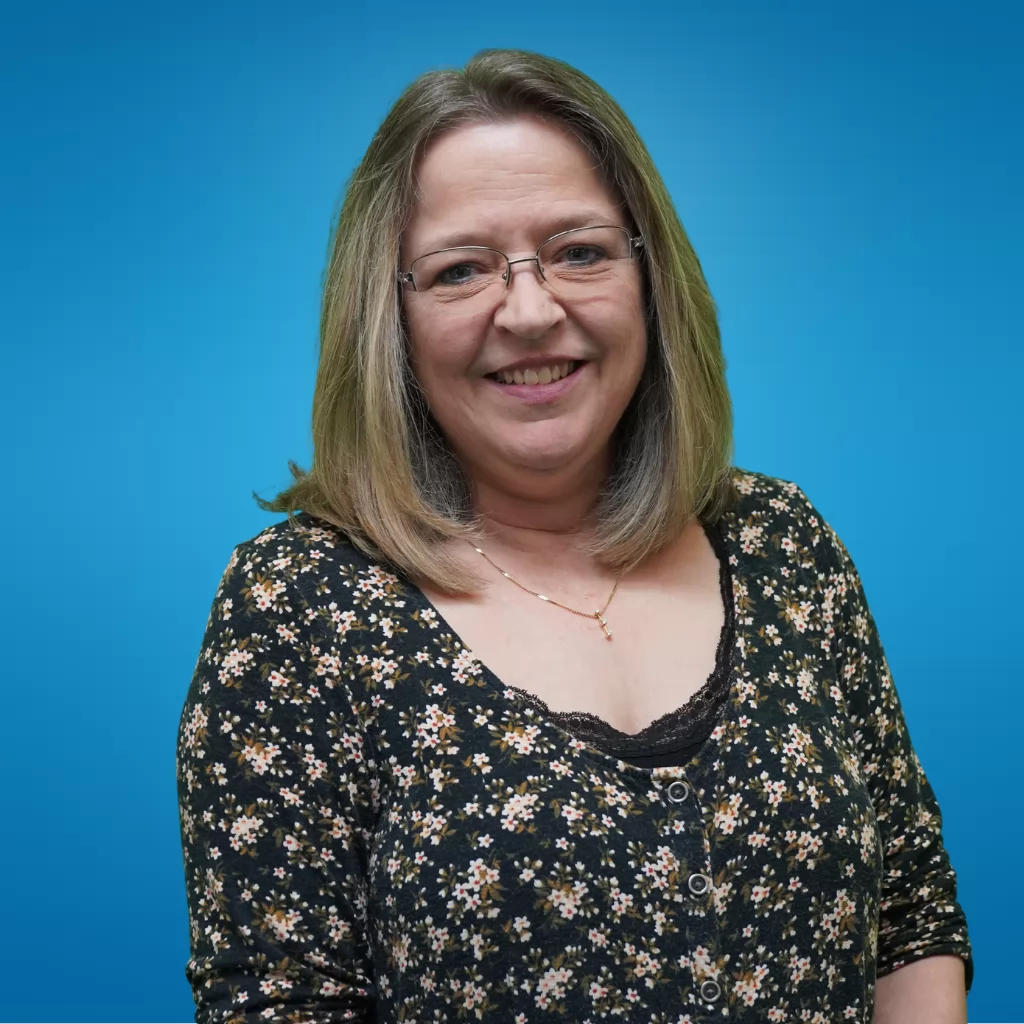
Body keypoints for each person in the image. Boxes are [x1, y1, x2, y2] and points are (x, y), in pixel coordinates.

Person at [176, 49, 971, 1023]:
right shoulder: (297, 607)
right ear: (390, 320)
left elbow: (911, 924)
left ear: (650, 276)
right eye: (461, 270)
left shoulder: (784, 542)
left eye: (579, 251)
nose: (529, 310)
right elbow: (279, 1002)